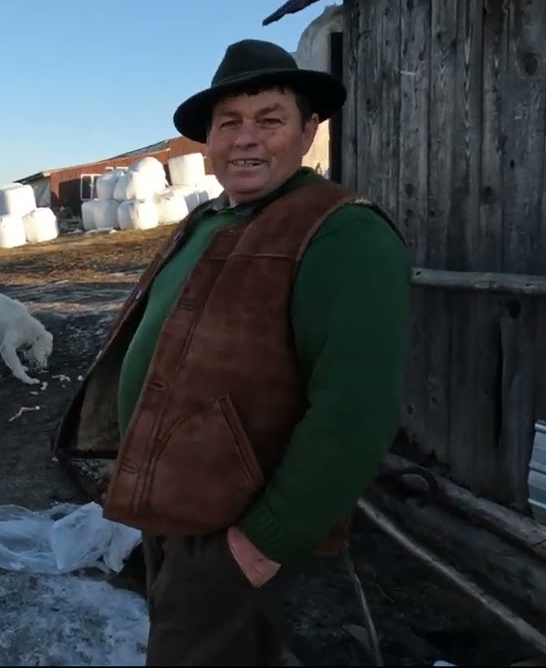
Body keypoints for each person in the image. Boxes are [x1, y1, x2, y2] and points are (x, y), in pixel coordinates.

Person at [55, 39, 411, 666]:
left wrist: (262, 542)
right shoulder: (212, 221)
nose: (246, 139)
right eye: (229, 124)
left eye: (270, 120)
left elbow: (354, 410)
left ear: (308, 131)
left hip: (237, 525)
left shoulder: (342, 232)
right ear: (209, 142)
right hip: (179, 509)